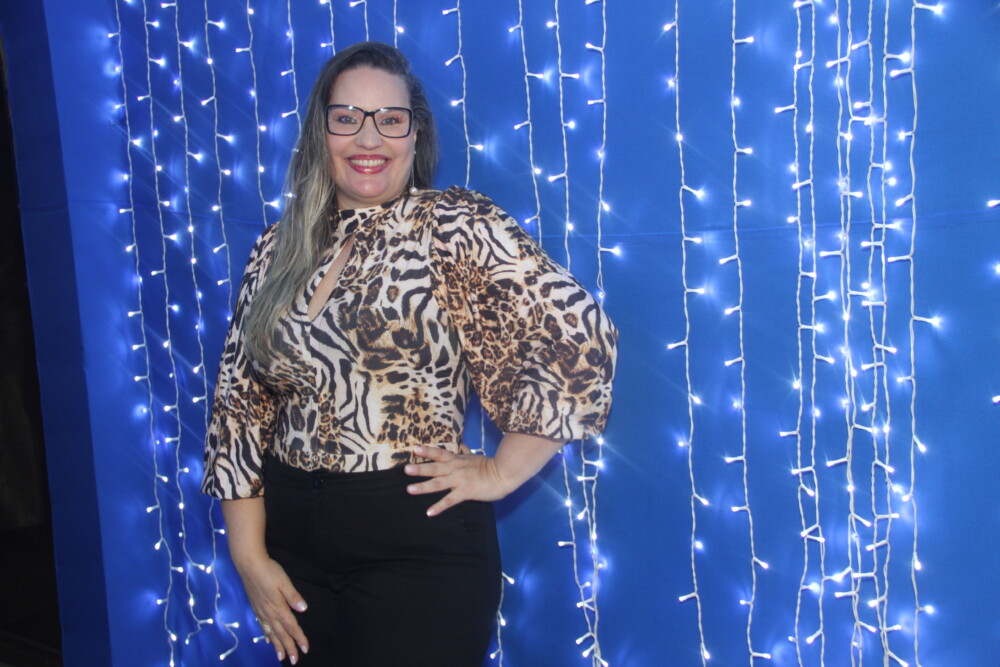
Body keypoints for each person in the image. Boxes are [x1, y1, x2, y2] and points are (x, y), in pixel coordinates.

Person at [201, 41, 617, 666]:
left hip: (417, 550)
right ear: (320, 132)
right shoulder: (276, 248)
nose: (369, 138)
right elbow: (238, 406)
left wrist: (501, 472)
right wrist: (248, 556)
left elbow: (577, 330)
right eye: (347, 117)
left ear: (414, 134)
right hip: (292, 550)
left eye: (390, 119)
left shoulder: (449, 225)